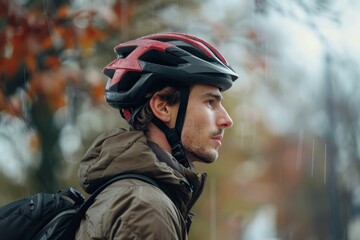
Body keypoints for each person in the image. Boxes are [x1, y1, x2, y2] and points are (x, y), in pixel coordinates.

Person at [75, 32, 238, 240]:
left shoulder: (132, 196)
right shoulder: (147, 209)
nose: (227, 119)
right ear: (162, 107)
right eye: (210, 103)